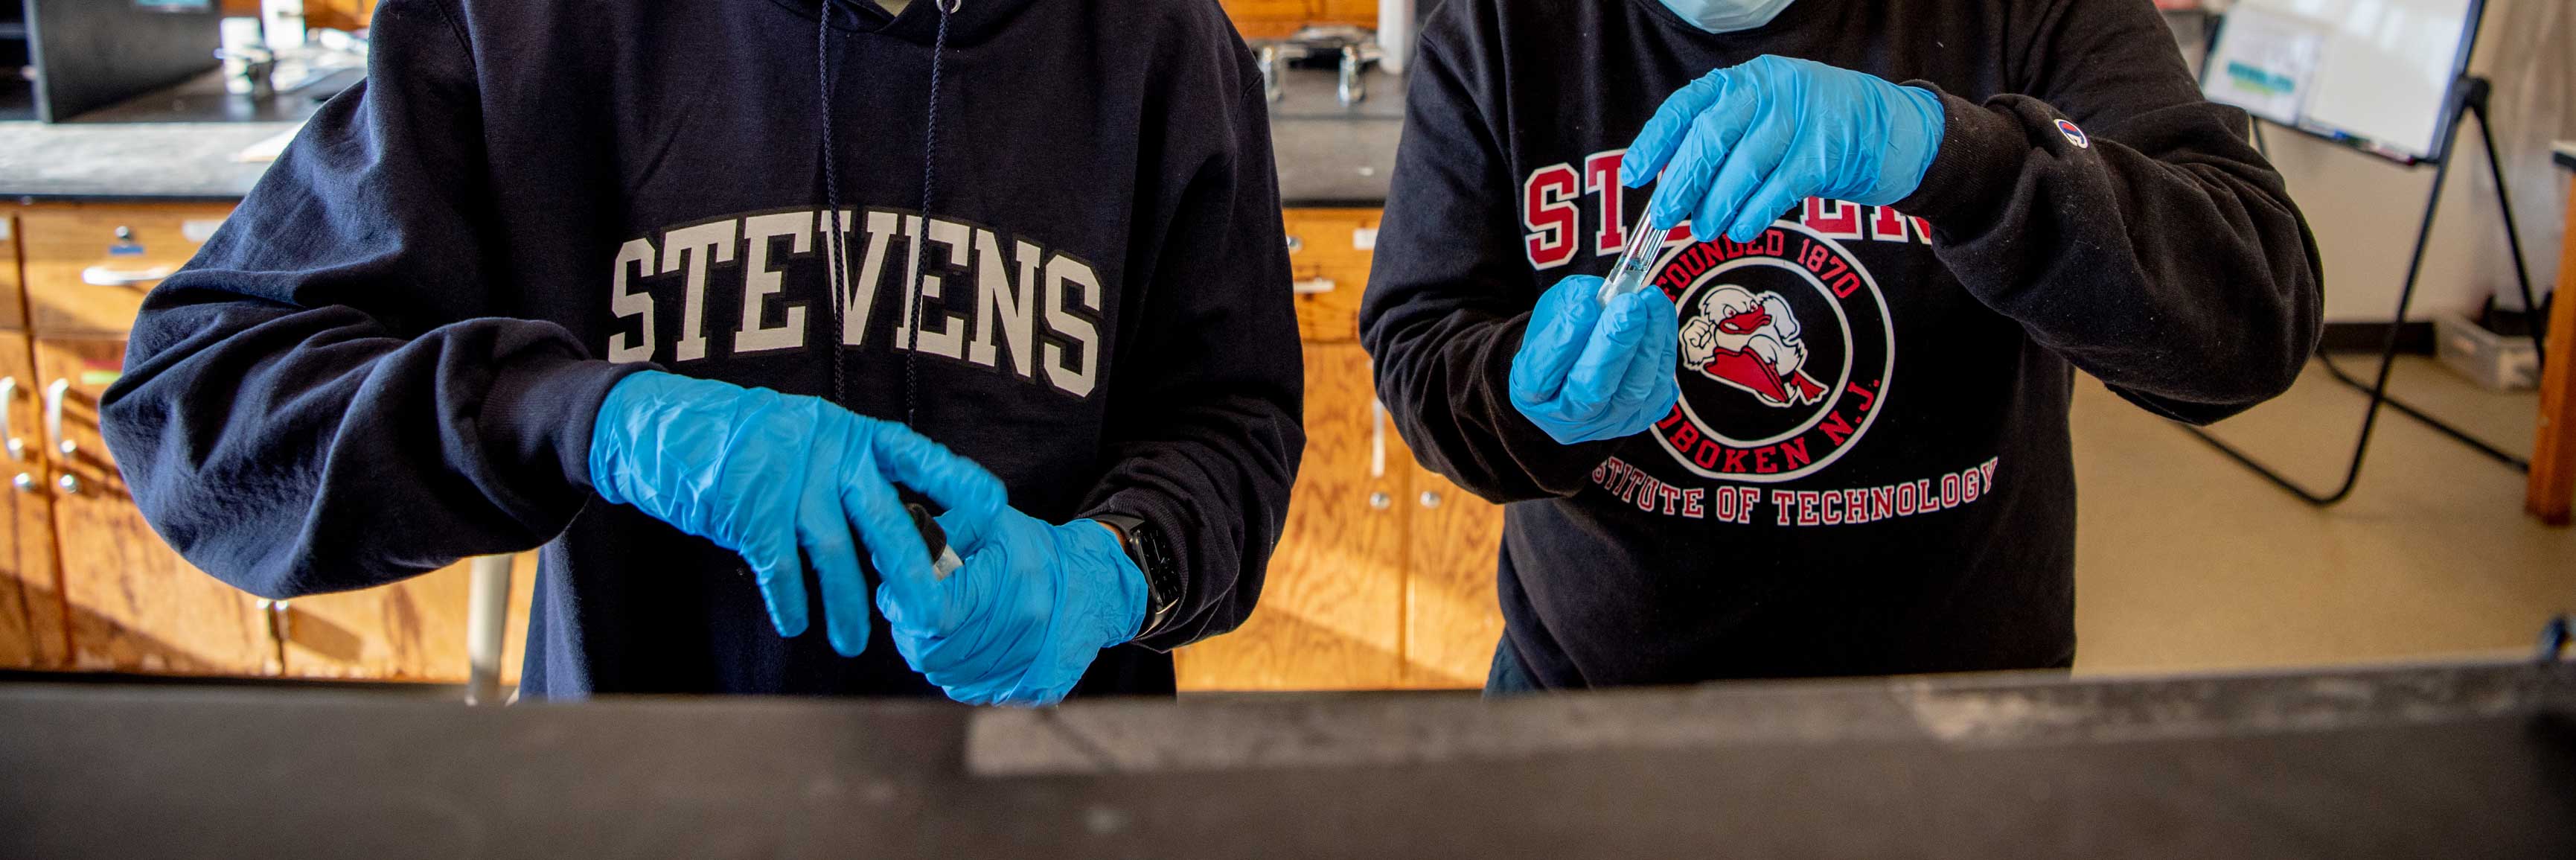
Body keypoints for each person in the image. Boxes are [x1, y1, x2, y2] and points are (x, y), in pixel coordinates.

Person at [100, 0, 1304, 705]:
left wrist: (1110, 570)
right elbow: (197, 405)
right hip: (647, 786)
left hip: (1048, 786)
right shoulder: (530, 27)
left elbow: (1230, 421)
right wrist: (585, 420)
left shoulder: (1165, 42)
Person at [1363, 0, 2321, 692]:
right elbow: (1418, 337)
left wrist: (1954, 160)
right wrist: (1519, 402)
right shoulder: (1495, 31)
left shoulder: (2032, 13)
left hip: (1957, 707)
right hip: (1594, 690)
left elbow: (2252, 313)